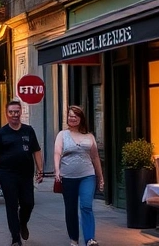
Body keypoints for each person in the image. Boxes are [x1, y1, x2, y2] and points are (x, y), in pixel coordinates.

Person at [0, 100, 43, 246]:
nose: (14, 115)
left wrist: (40, 169)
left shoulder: (28, 130)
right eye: (11, 112)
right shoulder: (1, 133)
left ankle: (23, 223)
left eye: (17, 112)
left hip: (26, 174)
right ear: (7, 114)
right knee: (11, 205)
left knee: (28, 203)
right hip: (7, 174)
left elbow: (36, 150)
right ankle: (15, 238)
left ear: (21, 113)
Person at [54, 105, 105, 246]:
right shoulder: (62, 135)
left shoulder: (89, 136)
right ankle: (74, 239)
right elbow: (57, 153)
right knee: (70, 209)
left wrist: (100, 177)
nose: (73, 118)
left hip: (87, 176)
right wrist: (57, 170)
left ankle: (90, 239)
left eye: (76, 116)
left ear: (81, 118)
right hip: (68, 177)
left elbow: (95, 157)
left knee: (86, 205)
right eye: (70, 116)